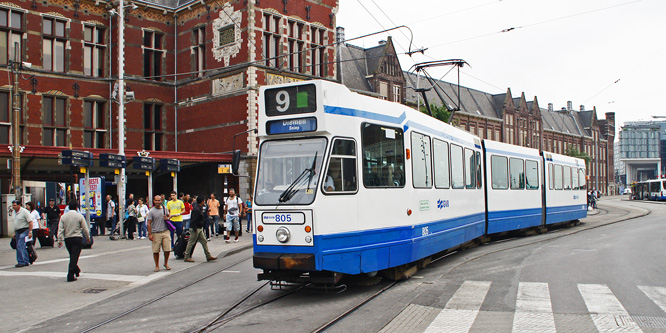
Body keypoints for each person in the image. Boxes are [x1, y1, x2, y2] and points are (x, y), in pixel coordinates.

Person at [57, 200, 91, 282]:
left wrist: (59, 240)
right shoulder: (79, 216)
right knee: (74, 256)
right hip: (77, 238)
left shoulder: (63, 217)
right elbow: (85, 229)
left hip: (68, 238)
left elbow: (60, 229)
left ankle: (76, 270)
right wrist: (88, 238)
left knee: (72, 255)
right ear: (76, 207)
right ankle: (70, 275)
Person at [184, 196, 217, 263]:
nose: (204, 202)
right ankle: (186, 256)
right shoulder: (197, 209)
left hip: (199, 228)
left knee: (204, 241)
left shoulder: (199, 208)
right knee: (191, 242)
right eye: (204, 201)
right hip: (195, 228)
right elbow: (193, 220)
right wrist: (194, 228)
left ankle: (208, 256)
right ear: (201, 201)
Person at [147, 195, 171, 272]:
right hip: (156, 232)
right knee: (156, 250)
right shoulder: (151, 211)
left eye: (159, 200)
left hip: (165, 231)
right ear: (154, 201)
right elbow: (149, 223)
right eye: (156, 200)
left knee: (167, 249)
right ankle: (157, 265)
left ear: (161, 201)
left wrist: (167, 218)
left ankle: (166, 263)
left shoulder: (165, 208)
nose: (157, 202)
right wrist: (150, 234)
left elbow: (169, 216)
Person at [11, 200, 34, 267]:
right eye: (13, 205)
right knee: (22, 246)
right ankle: (26, 261)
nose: (13, 207)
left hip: (24, 230)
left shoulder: (24, 212)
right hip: (18, 231)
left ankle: (21, 261)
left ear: (19, 205)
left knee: (19, 245)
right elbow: (15, 223)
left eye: (15, 205)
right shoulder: (14, 212)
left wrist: (30, 232)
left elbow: (30, 222)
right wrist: (15, 233)